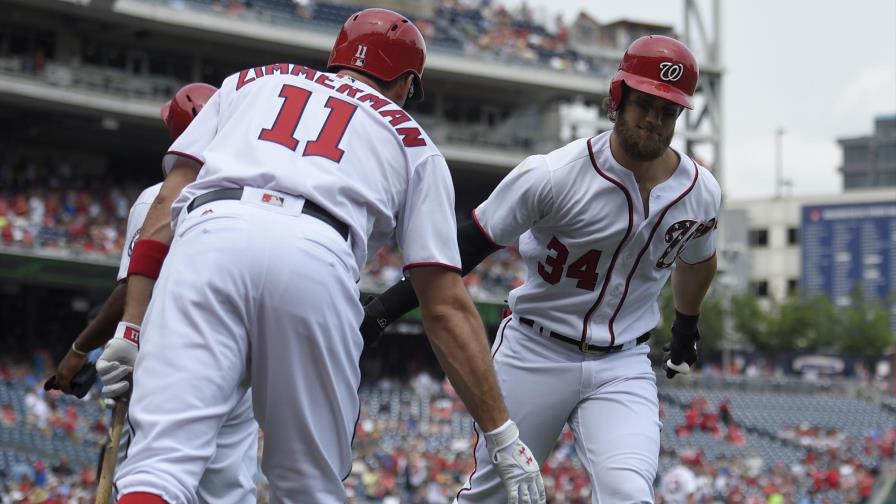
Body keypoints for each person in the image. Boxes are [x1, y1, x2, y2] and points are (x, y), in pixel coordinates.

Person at [96, 8, 544, 504]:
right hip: (315, 253)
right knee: (308, 486)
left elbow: (166, 203)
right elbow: (443, 305)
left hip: (211, 234)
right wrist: (501, 432)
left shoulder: (250, 81)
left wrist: (131, 327)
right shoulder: (414, 140)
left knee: (159, 466)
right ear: (405, 83)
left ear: (337, 59)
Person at [362, 35, 721, 503]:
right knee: (495, 495)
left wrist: (687, 327)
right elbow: (464, 248)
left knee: (628, 492)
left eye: (668, 110)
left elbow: (698, 261)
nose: (654, 119)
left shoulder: (700, 191)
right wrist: (384, 310)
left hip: (623, 362)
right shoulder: (553, 174)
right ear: (617, 98)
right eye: (644, 104)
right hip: (536, 349)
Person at [47, 83, 259, 504]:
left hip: (170, 358)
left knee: (146, 474)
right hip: (238, 358)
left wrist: (79, 349)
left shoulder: (157, 200)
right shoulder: (249, 197)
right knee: (227, 488)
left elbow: (131, 287)